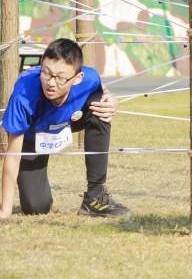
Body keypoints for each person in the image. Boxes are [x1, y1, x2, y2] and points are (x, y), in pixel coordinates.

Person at [1, 38, 131, 218]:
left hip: (67, 122)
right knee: (36, 207)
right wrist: (4, 211)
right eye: (46, 73)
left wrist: (112, 101)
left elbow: (103, 93)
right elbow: (12, 155)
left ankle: (95, 198)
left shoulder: (89, 78)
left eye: (60, 77)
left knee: (99, 106)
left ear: (77, 78)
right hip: (33, 136)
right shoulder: (24, 91)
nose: (51, 83)